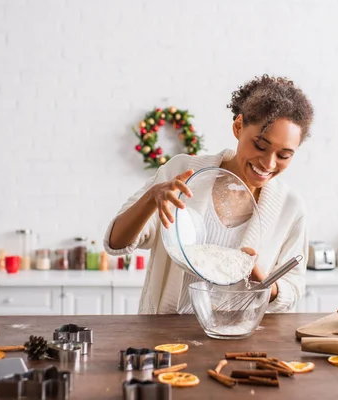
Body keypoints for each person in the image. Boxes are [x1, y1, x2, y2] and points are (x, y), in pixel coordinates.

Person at [104, 74, 314, 314]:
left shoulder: (290, 207)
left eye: (284, 155)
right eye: (260, 145)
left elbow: (294, 288)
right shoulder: (182, 172)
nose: (268, 163)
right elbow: (116, 243)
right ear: (238, 127)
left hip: (236, 338)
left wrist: (262, 283)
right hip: (163, 338)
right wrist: (152, 197)